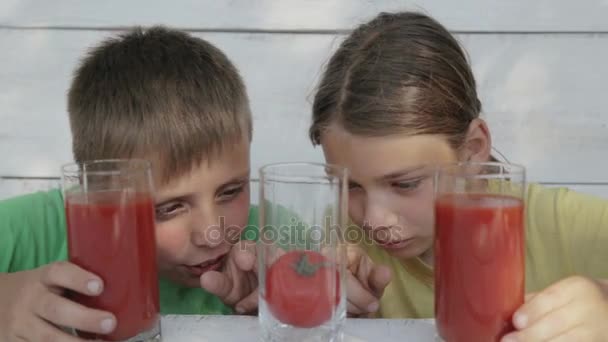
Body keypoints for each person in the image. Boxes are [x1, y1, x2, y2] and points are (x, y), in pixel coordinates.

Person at [310, 11, 608, 341]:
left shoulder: (562, 224)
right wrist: (322, 301)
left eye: (405, 183)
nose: (373, 219)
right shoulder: (340, 236)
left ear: (473, 149)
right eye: (348, 185)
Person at [0, 26, 259, 340]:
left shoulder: (270, 237)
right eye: (169, 208)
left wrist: (288, 306)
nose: (211, 233)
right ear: (98, 189)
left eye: (231, 191)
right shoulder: (35, 228)